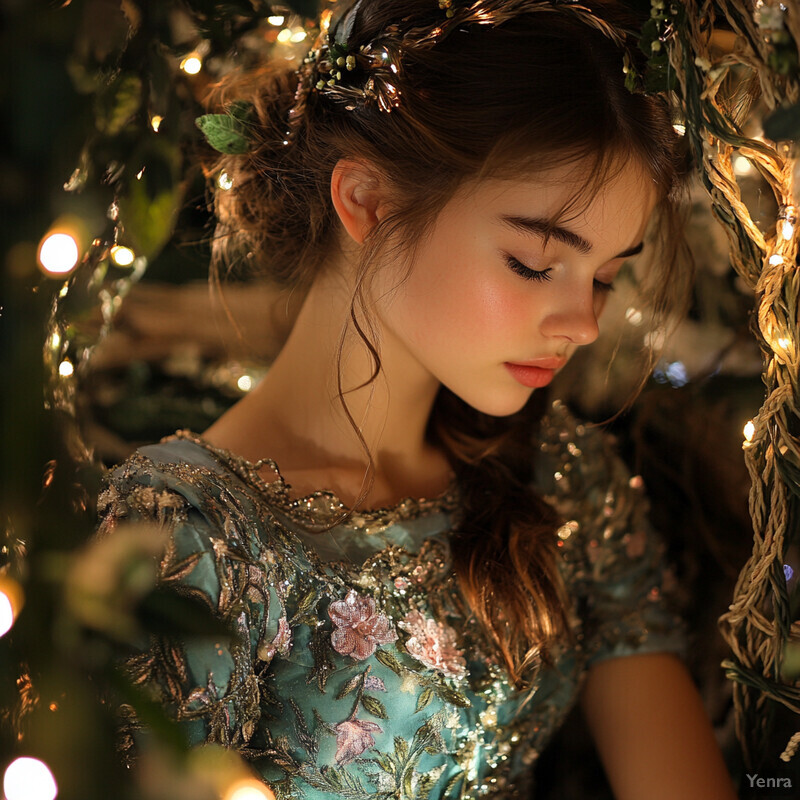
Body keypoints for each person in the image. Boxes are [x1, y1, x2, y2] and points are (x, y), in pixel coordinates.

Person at [96, 1, 740, 797]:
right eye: (537, 264)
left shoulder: (560, 476)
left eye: (608, 275)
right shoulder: (185, 537)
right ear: (367, 201)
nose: (583, 323)